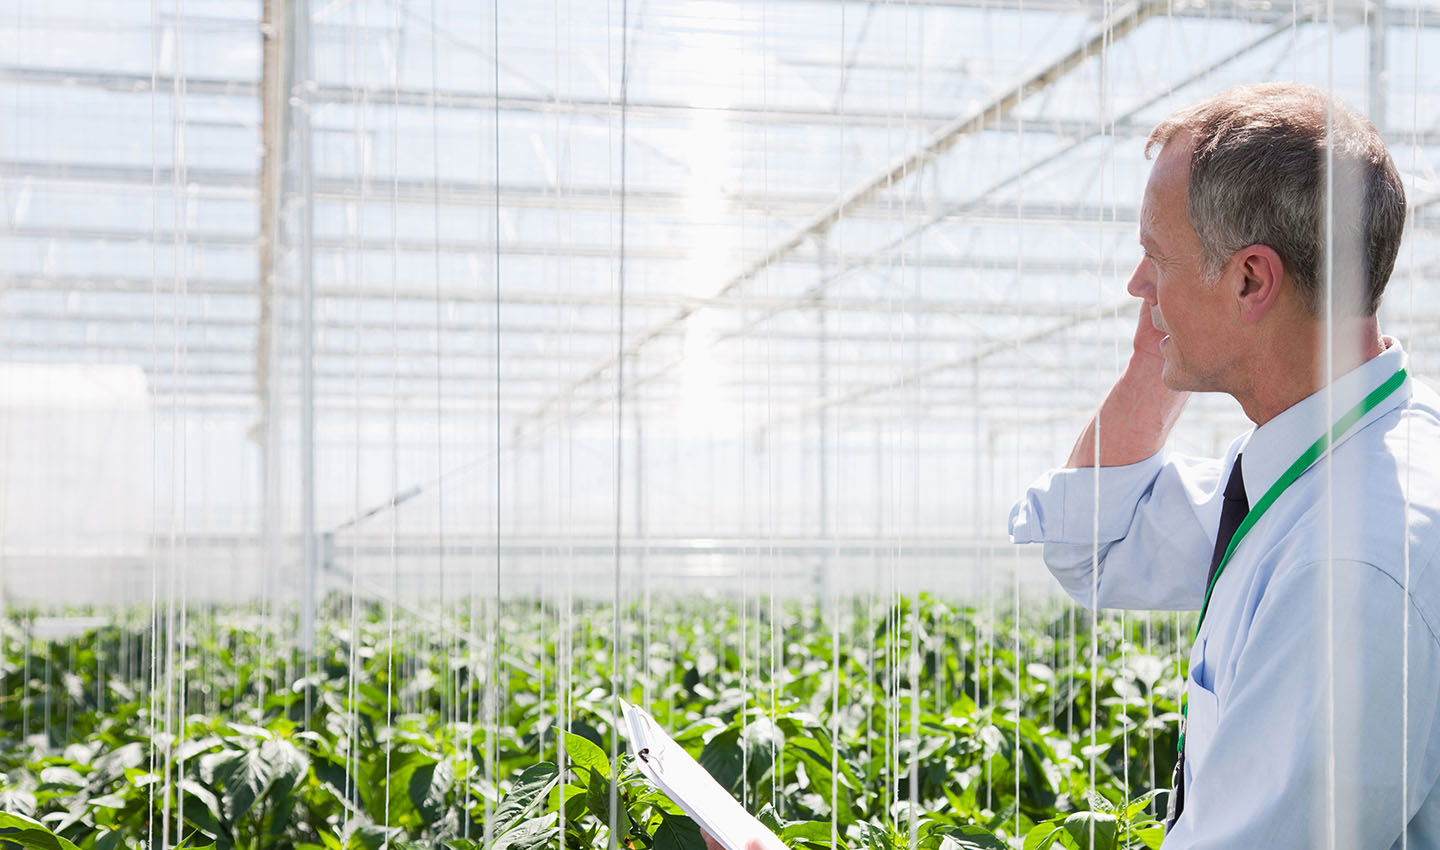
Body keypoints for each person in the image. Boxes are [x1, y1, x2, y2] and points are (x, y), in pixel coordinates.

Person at [1009, 82, 1440, 847]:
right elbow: (1093, 545)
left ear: (1250, 280)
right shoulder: (1313, 467)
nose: (1138, 287)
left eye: (1154, 256)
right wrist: (1161, 341)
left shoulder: (1347, 564)